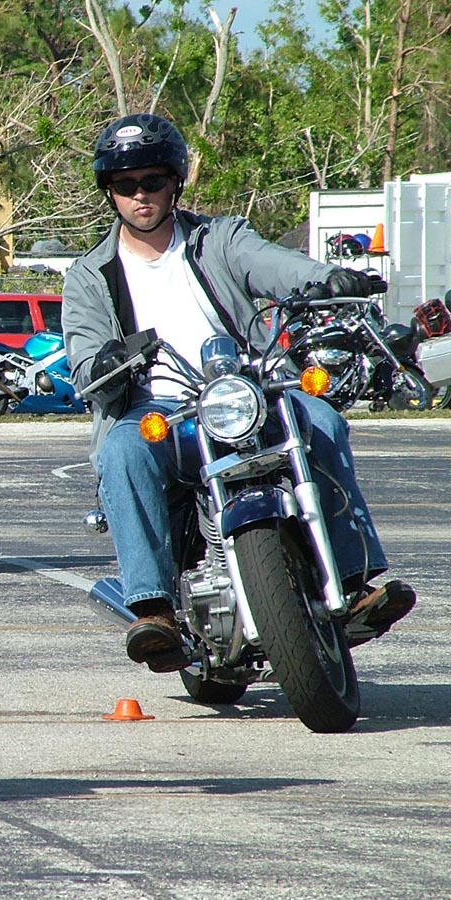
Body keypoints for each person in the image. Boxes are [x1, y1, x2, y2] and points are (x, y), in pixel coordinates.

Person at [62, 112, 416, 672]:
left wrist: (325, 278)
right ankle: (153, 610)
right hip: (161, 409)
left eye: (152, 180)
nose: (140, 195)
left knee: (322, 420)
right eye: (126, 185)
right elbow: (84, 357)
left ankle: (355, 580)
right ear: (110, 192)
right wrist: (104, 359)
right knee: (122, 450)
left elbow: (274, 265)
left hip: (246, 390)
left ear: (175, 182)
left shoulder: (218, 240)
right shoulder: (90, 274)